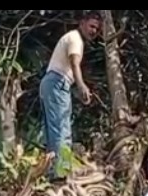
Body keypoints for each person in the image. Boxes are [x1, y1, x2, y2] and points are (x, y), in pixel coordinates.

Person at [39, 11, 101, 181]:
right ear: (82, 23)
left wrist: (77, 87)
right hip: (56, 82)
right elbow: (74, 63)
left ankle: (52, 172)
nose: (94, 31)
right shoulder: (75, 39)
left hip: (51, 82)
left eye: (97, 28)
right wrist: (81, 85)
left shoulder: (72, 37)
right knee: (62, 128)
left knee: (53, 130)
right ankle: (63, 172)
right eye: (91, 26)